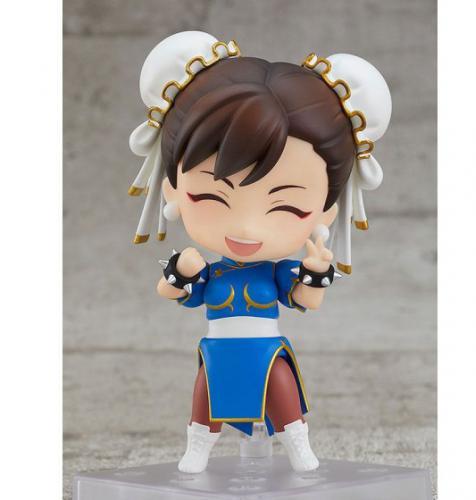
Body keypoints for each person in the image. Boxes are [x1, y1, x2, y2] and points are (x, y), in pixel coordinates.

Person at [128, 31, 391, 473]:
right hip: (218, 352)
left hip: (268, 351)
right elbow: (168, 291)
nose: (248, 227)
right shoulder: (210, 273)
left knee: (282, 392)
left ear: (327, 210)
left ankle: (297, 443)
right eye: (210, 197)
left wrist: (315, 270)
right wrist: (182, 272)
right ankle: (198, 447)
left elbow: (308, 300)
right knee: (205, 398)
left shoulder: (278, 273)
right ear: (173, 187)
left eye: (287, 207)